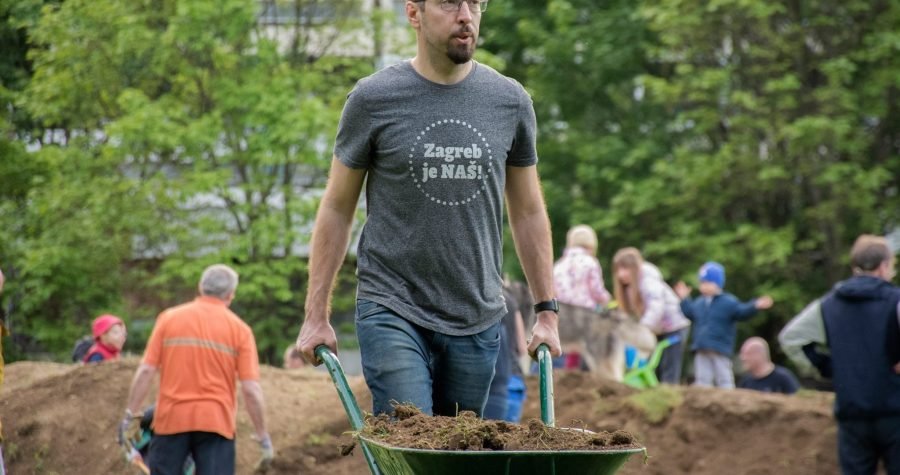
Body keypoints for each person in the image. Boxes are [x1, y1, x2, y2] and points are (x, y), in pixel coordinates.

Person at [295, 0, 562, 419]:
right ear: (413, 13)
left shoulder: (509, 101)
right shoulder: (373, 99)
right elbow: (337, 207)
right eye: (449, 3)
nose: (466, 15)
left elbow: (528, 211)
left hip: (476, 315)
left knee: (455, 453)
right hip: (392, 305)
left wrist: (546, 312)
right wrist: (316, 316)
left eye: (476, 3)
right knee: (411, 435)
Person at [120, 264, 273, 474]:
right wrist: (263, 437)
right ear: (231, 295)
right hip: (216, 423)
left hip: (171, 420)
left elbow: (146, 370)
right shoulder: (240, 330)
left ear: (201, 287)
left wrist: (129, 415)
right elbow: (251, 390)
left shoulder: (169, 319)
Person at [779, 235, 900, 474]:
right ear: (884, 265)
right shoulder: (895, 300)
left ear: (854, 266)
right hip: (894, 410)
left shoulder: (829, 304)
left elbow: (791, 339)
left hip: (851, 411)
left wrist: (826, 367)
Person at [674, 261, 774, 389]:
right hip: (701, 346)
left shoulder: (728, 302)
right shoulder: (699, 303)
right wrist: (684, 299)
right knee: (702, 376)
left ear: (717, 284)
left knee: (723, 375)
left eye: (707, 283)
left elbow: (742, 312)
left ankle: (728, 394)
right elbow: (690, 313)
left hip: (720, 347)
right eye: (702, 283)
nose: (703, 286)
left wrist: (755, 305)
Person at [612, 247, 691, 384]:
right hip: (657, 329)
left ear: (634, 268)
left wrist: (642, 329)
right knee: (651, 366)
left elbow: (656, 307)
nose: (620, 274)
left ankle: (669, 396)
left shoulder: (648, 281)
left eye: (625, 269)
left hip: (674, 328)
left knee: (669, 368)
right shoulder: (629, 288)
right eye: (618, 270)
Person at [553, 225, 611, 310]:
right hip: (587, 314)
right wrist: (607, 299)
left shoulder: (558, 265)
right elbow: (597, 291)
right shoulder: (590, 262)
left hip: (564, 314)